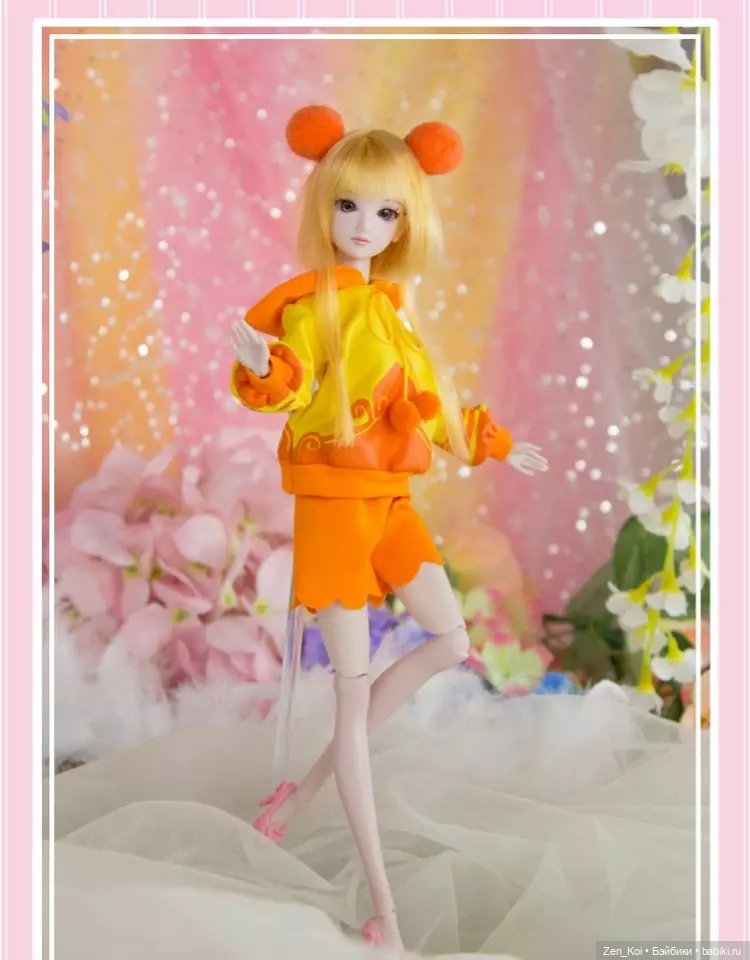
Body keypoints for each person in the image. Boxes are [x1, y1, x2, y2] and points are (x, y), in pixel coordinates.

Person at [229, 104, 548, 951]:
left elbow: (426, 407)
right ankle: (386, 912)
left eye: (385, 210)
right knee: (352, 694)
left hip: (391, 506)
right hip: (336, 511)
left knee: (450, 640)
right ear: (322, 205)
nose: (364, 225)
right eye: (347, 205)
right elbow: (295, 382)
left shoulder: (391, 307)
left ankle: (298, 796)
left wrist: (496, 444)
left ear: (407, 219)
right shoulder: (313, 305)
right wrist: (266, 371)